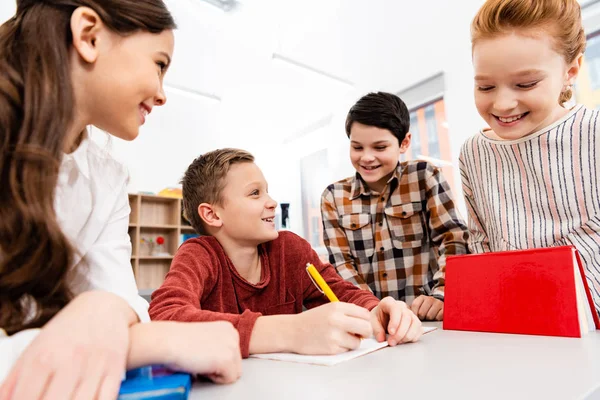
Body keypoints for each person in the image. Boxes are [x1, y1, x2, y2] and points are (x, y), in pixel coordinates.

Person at [0, 1, 241, 398]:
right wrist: (144, 342)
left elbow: (120, 303)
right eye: (159, 64)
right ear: (89, 35)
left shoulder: (107, 179)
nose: (163, 95)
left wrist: (106, 309)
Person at [149, 148, 423, 358]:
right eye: (255, 193)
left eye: (267, 191)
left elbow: (340, 292)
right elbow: (164, 317)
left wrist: (377, 309)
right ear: (212, 213)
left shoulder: (289, 248)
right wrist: (292, 331)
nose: (272, 202)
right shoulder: (199, 254)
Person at [459, 0, 600, 314]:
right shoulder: (473, 152)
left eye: (525, 84)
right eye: (485, 86)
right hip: (515, 323)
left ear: (571, 71)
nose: (503, 103)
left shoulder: (594, 133)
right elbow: (481, 244)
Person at [320, 92, 469, 321]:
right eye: (357, 147)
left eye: (380, 147)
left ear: (404, 143)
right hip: (372, 322)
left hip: (427, 317)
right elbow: (342, 265)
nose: (367, 157)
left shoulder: (424, 177)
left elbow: (453, 239)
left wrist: (440, 295)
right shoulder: (334, 197)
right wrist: (373, 309)